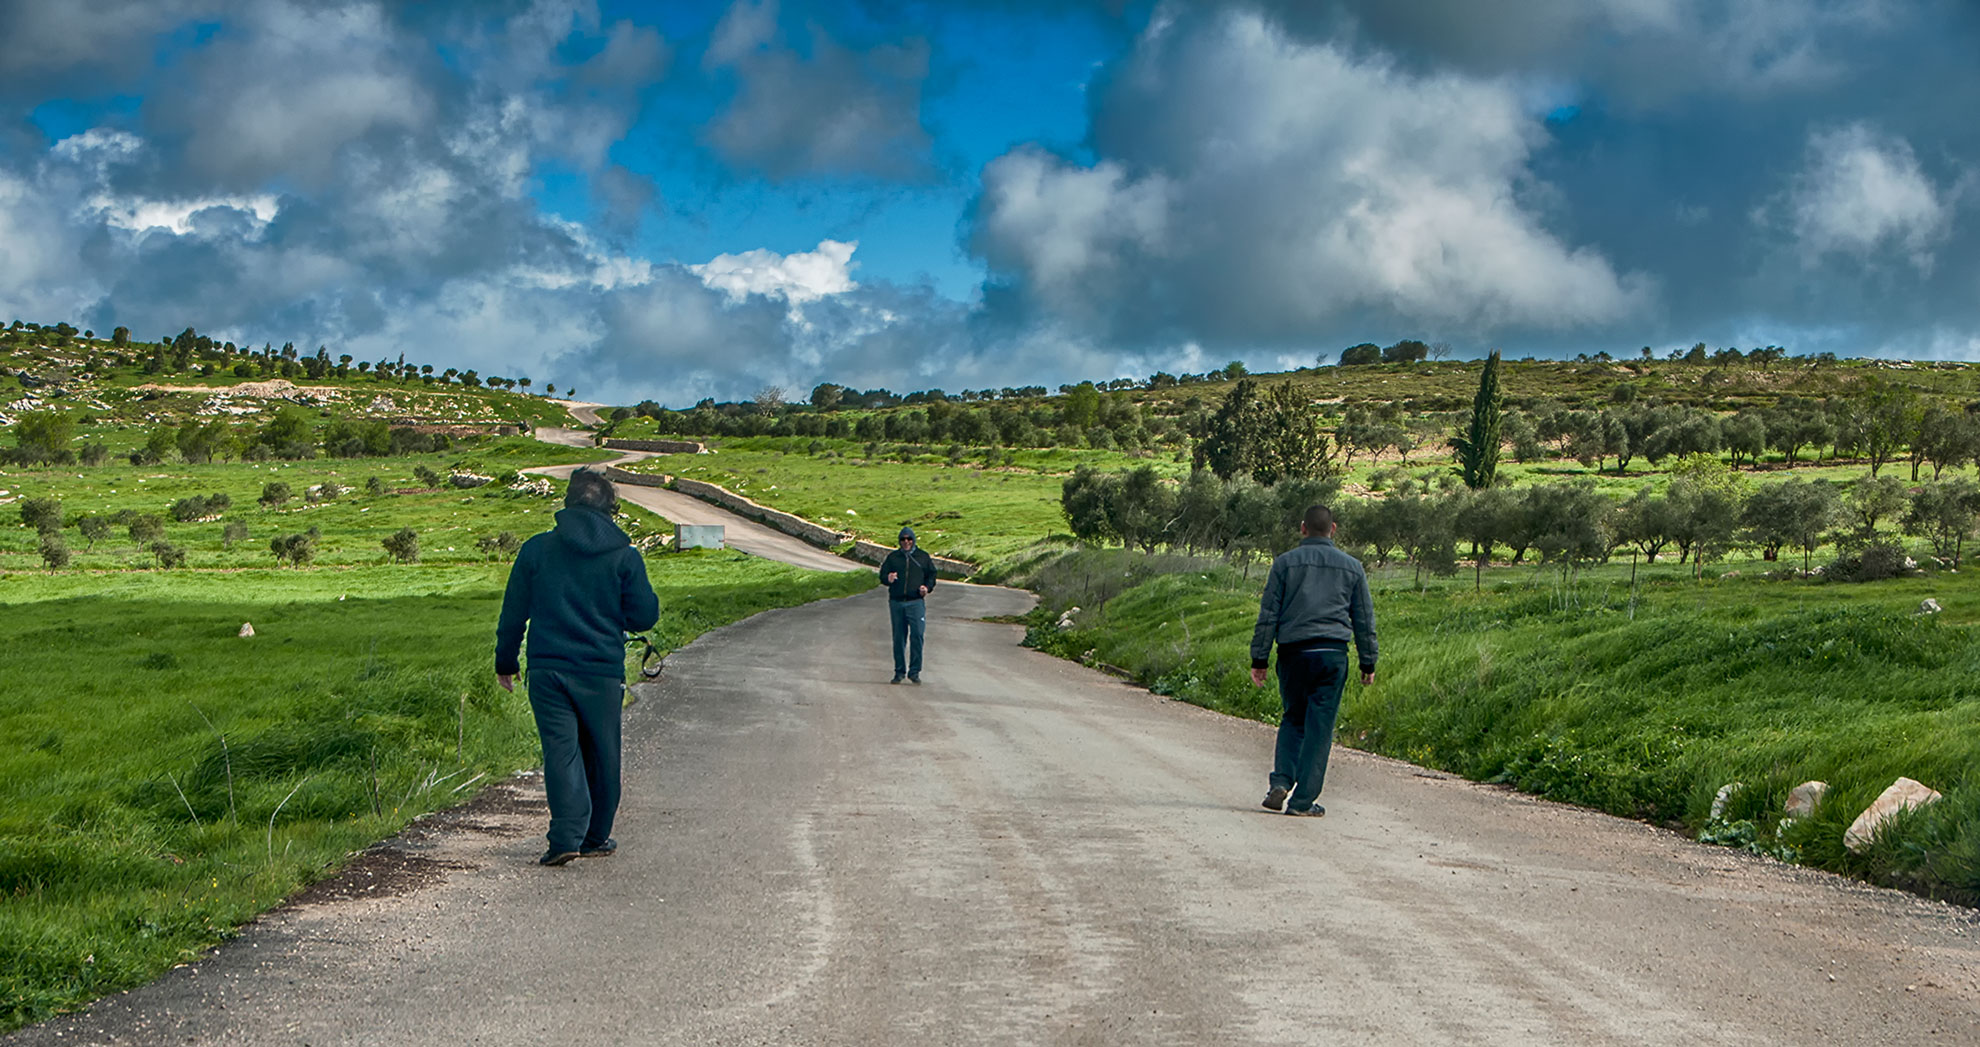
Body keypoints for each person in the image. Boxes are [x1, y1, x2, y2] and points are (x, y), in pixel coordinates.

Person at [496, 467, 659, 866]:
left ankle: (565, 837)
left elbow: (514, 610)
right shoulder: (624, 556)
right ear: (610, 509)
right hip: (601, 670)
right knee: (603, 752)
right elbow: (644, 617)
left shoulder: (536, 550)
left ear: (567, 506)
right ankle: (595, 837)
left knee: (561, 752)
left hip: (548, 668)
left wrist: (506, 660)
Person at [1249, 504, 1377, 818]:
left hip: (1293, 654)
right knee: (1319, 728)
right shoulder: (1352, 567)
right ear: (1333, 530)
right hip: (1332, 656)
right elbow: (1363, 619)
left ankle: (1280, 781)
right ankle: (1302, 801)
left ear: (1303, 528)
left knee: (1293, 717)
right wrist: (1368, 662)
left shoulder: (1284, 564)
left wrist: (1259, 658)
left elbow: (1268, 615)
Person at [879, 526, 937, 683]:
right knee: (899, 638)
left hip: (915, 602)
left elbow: (932, 574)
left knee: (917, 635)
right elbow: (883, 575)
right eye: (903, 539)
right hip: (897, 602)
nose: (906, 542)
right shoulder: (893, 558)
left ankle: (914, 672)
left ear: (913, 540)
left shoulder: (922, 557)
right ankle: (899, 672)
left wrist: (927, 587)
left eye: (909, 539)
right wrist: (888, 578)